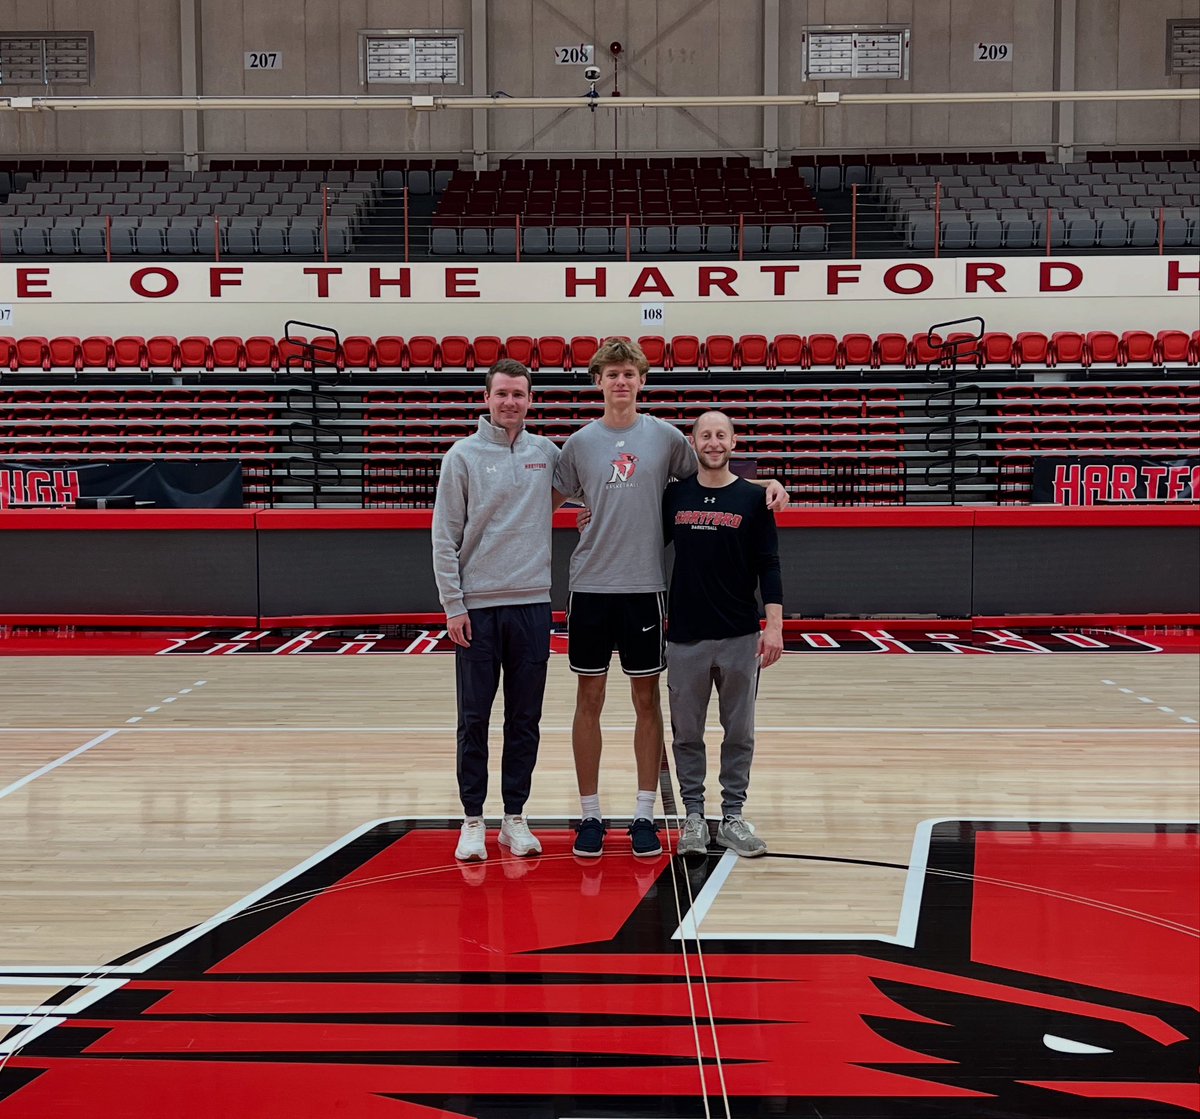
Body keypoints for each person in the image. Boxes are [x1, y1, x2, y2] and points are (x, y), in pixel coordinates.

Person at [551, 339, 787, 859]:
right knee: (588, 701)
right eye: (611, 373)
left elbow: (713, 476)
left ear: (641, 381)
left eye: (629, 374)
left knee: (648, 703)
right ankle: (590, 815)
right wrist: (580, 512)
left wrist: (766, 481)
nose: (620, 382)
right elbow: (548, 499)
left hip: (645, 590)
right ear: (598, 381)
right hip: (589, 586)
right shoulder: (579, 444)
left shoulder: (665, 438)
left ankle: (645, 814)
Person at [432, 358, 567, 863]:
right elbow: (444, 536)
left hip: (532, 604)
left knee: (524, 719)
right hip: (478, 610)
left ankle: (514, 817)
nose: (510, 402)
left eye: (519, 394)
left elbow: (593, 484)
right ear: (487, 398)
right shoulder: (462, 456)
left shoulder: (545, 452)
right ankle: (473, 819)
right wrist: (453, 605)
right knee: (474, 718)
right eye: (502, 393)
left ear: (530, 400)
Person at [663, 410, 784, 858]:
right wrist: (592, 521)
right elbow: (638, 535)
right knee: (686, 734)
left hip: (739, 635)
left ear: (733, 442)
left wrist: (774, 626)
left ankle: (733, 816)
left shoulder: (754, 499)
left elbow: (769, 564)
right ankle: (694, 817)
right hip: (685, 637)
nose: (713, 442)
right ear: (693, 443)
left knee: (739, 733)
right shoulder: (674, 496)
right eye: (705, 435)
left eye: (721, 435)